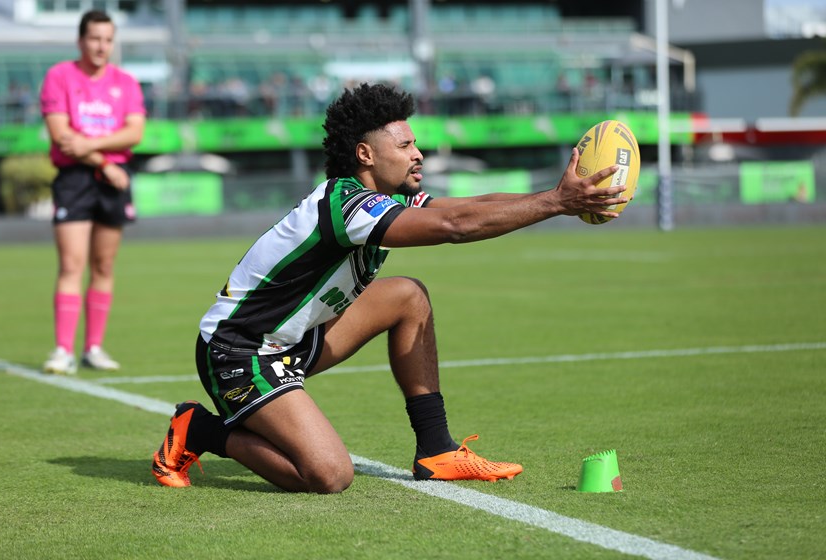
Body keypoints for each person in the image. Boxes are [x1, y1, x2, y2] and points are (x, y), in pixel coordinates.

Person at [151, 83, 627, 492]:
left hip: (294, 339)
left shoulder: (387, 197)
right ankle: (201, 431)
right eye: (404, 145)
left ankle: (436, 450)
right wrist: (556, 202)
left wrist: (559, 198)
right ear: (366, 154)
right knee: (329, 476)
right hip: (239, 351)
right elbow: (456, 227)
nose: (417, 153)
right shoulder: (348, 203)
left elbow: (471, 204)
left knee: (407, 296)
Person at [39, 11, 145, 375]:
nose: (101, 46)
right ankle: (62, 350)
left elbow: (134, 133)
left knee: (103, 265)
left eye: (107, 39)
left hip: (114, 181)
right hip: (76, 179)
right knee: (71, 264)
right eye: (95, 38)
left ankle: (93, 348)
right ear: (81, 40)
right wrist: (104, 160)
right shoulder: (59, 76)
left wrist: (90, 145)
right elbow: (61, 136)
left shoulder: (126, 82)